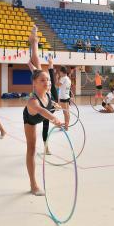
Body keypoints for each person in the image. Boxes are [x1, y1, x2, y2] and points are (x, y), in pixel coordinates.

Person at [23, 26, 63, 196]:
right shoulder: (32, 101)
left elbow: (48, 102)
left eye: (48, 80)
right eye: (43, 80)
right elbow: (41, 110)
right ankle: (33, 185)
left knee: (38, 64)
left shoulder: (46, 91)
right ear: (35, 84)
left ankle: (34, 42)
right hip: (31, 120)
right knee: (31, 149)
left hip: (43, 106)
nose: (47, 83)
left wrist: (55, 103)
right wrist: (54, 117)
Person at [56, 66, 71, 130]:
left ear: (62, 72)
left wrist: (56, 78)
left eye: (60, 72)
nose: (59, 74)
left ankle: (66, 127)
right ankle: (67, 124)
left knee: (65, 113)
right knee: (67, 112)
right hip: (66, 96)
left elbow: (57, 85)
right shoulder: (68, 78)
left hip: (63, 97)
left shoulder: (63, 78)